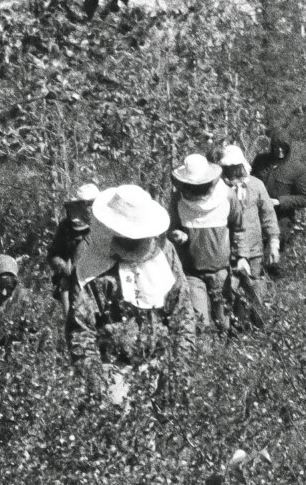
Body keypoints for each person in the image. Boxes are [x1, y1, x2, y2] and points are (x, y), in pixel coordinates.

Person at [68, 184, 195, 404]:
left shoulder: (166, 255)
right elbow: (81, 332)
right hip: (113, 372)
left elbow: (182, 314)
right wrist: (97, 383)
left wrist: (176, 369)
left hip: (162, 364)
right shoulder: (89, 268)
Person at [167, 153, 233, 333]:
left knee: (224, 320)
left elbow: (239, 227)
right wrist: (177, 234)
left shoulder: (227, 195)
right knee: (200, 322)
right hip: (191, 271)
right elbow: (171, 227)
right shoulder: (177, 200)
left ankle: (226, 356)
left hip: (220, 270)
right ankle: (203, 355)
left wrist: (242, 257)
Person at [219, 143, 277, 326]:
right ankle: (231, 329)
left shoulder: (256, 185)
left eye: (234, 166)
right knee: (228, 292)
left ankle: (256, 328)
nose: (231, 171)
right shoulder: (219, 188)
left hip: (254, 250)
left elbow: (268, 214)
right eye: (227, 167)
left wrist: (274, 242)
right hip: (226, 251)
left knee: (254, 291)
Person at [250, 130, 306, 269]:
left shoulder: (297, 169)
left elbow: (304, 199)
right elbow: (251, 182)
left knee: (275, 262)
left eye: (283, 147)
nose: (279, 150)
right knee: (253, 256)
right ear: (271, 147)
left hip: (281, 218)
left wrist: (279, 201)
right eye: (276, 147)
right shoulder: (261, 161)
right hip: (257, 215)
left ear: (288, 147)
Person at [47, 182, 99, 305]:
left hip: (98, 276)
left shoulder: (104, 224)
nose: (89, 208)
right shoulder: (66, 226)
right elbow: (53, 255)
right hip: (70, 280)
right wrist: (65, 267)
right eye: (86, 204)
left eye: (91, 204)